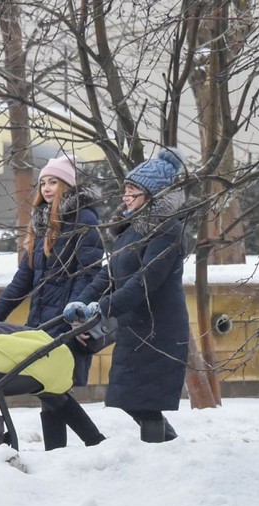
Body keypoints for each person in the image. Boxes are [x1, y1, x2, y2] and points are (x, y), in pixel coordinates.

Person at [64, 148, 189, 443]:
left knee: (145, 403)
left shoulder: (167, 231)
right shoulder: (132, 229)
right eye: (126, 189)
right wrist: (81, 300)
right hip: (136, 326)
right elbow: (111, 274)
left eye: (132, 190)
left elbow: (144, 281)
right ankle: (167, 448)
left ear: (151, 194)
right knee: (131, 399)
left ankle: (160, 454)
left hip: (160, 331)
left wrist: (103, 308)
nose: (125, 196)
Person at [0, 154, 106, 450]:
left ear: (67, 185)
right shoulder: (42, 224)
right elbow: (23, 280)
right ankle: (63, 453)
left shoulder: (84, 221)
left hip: (65, 321)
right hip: (41, 320)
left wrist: (76, 314)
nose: (46, 188)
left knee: (50, 387)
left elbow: (89, 275)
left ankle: (94, 443)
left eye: (53, 182)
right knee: (48, 387)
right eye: (43, 183)